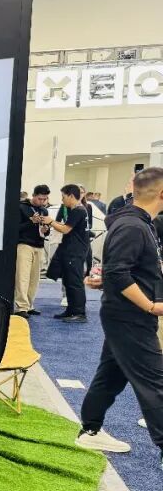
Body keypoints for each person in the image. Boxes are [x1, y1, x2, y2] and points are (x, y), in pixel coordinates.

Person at [77, 167, 163, 471]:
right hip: (130, 316)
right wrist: (150, 306)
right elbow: (118, 272)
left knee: (111, 373)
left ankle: (90, 430)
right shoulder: (133, 226)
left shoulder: (139, 223)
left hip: (125, 314)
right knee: (155, 382)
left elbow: (123, 271)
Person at [41, 185, 90, 323]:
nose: (62, 200)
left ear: (71, 196)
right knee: (68, 281)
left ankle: (79, 313)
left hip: (75, 252)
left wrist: (51, 222)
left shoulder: (78, 211)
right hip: (71, 250)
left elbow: (65, 229)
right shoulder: (77, 210)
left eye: (63, 197)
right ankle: (71, 310)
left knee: (74, 282)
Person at [14, 185, 51, 318]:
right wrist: (31, 221)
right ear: (34, 195)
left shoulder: (44, 211)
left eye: (45, 199)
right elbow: (14, 228)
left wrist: (46, 231)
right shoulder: (21, 207)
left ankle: (29, 305)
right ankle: (21, 307)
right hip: (24, 245)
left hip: (39, 245)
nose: (42, 201)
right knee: (22, 277)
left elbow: (45, 231)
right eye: (40, 199)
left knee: (34, 279)